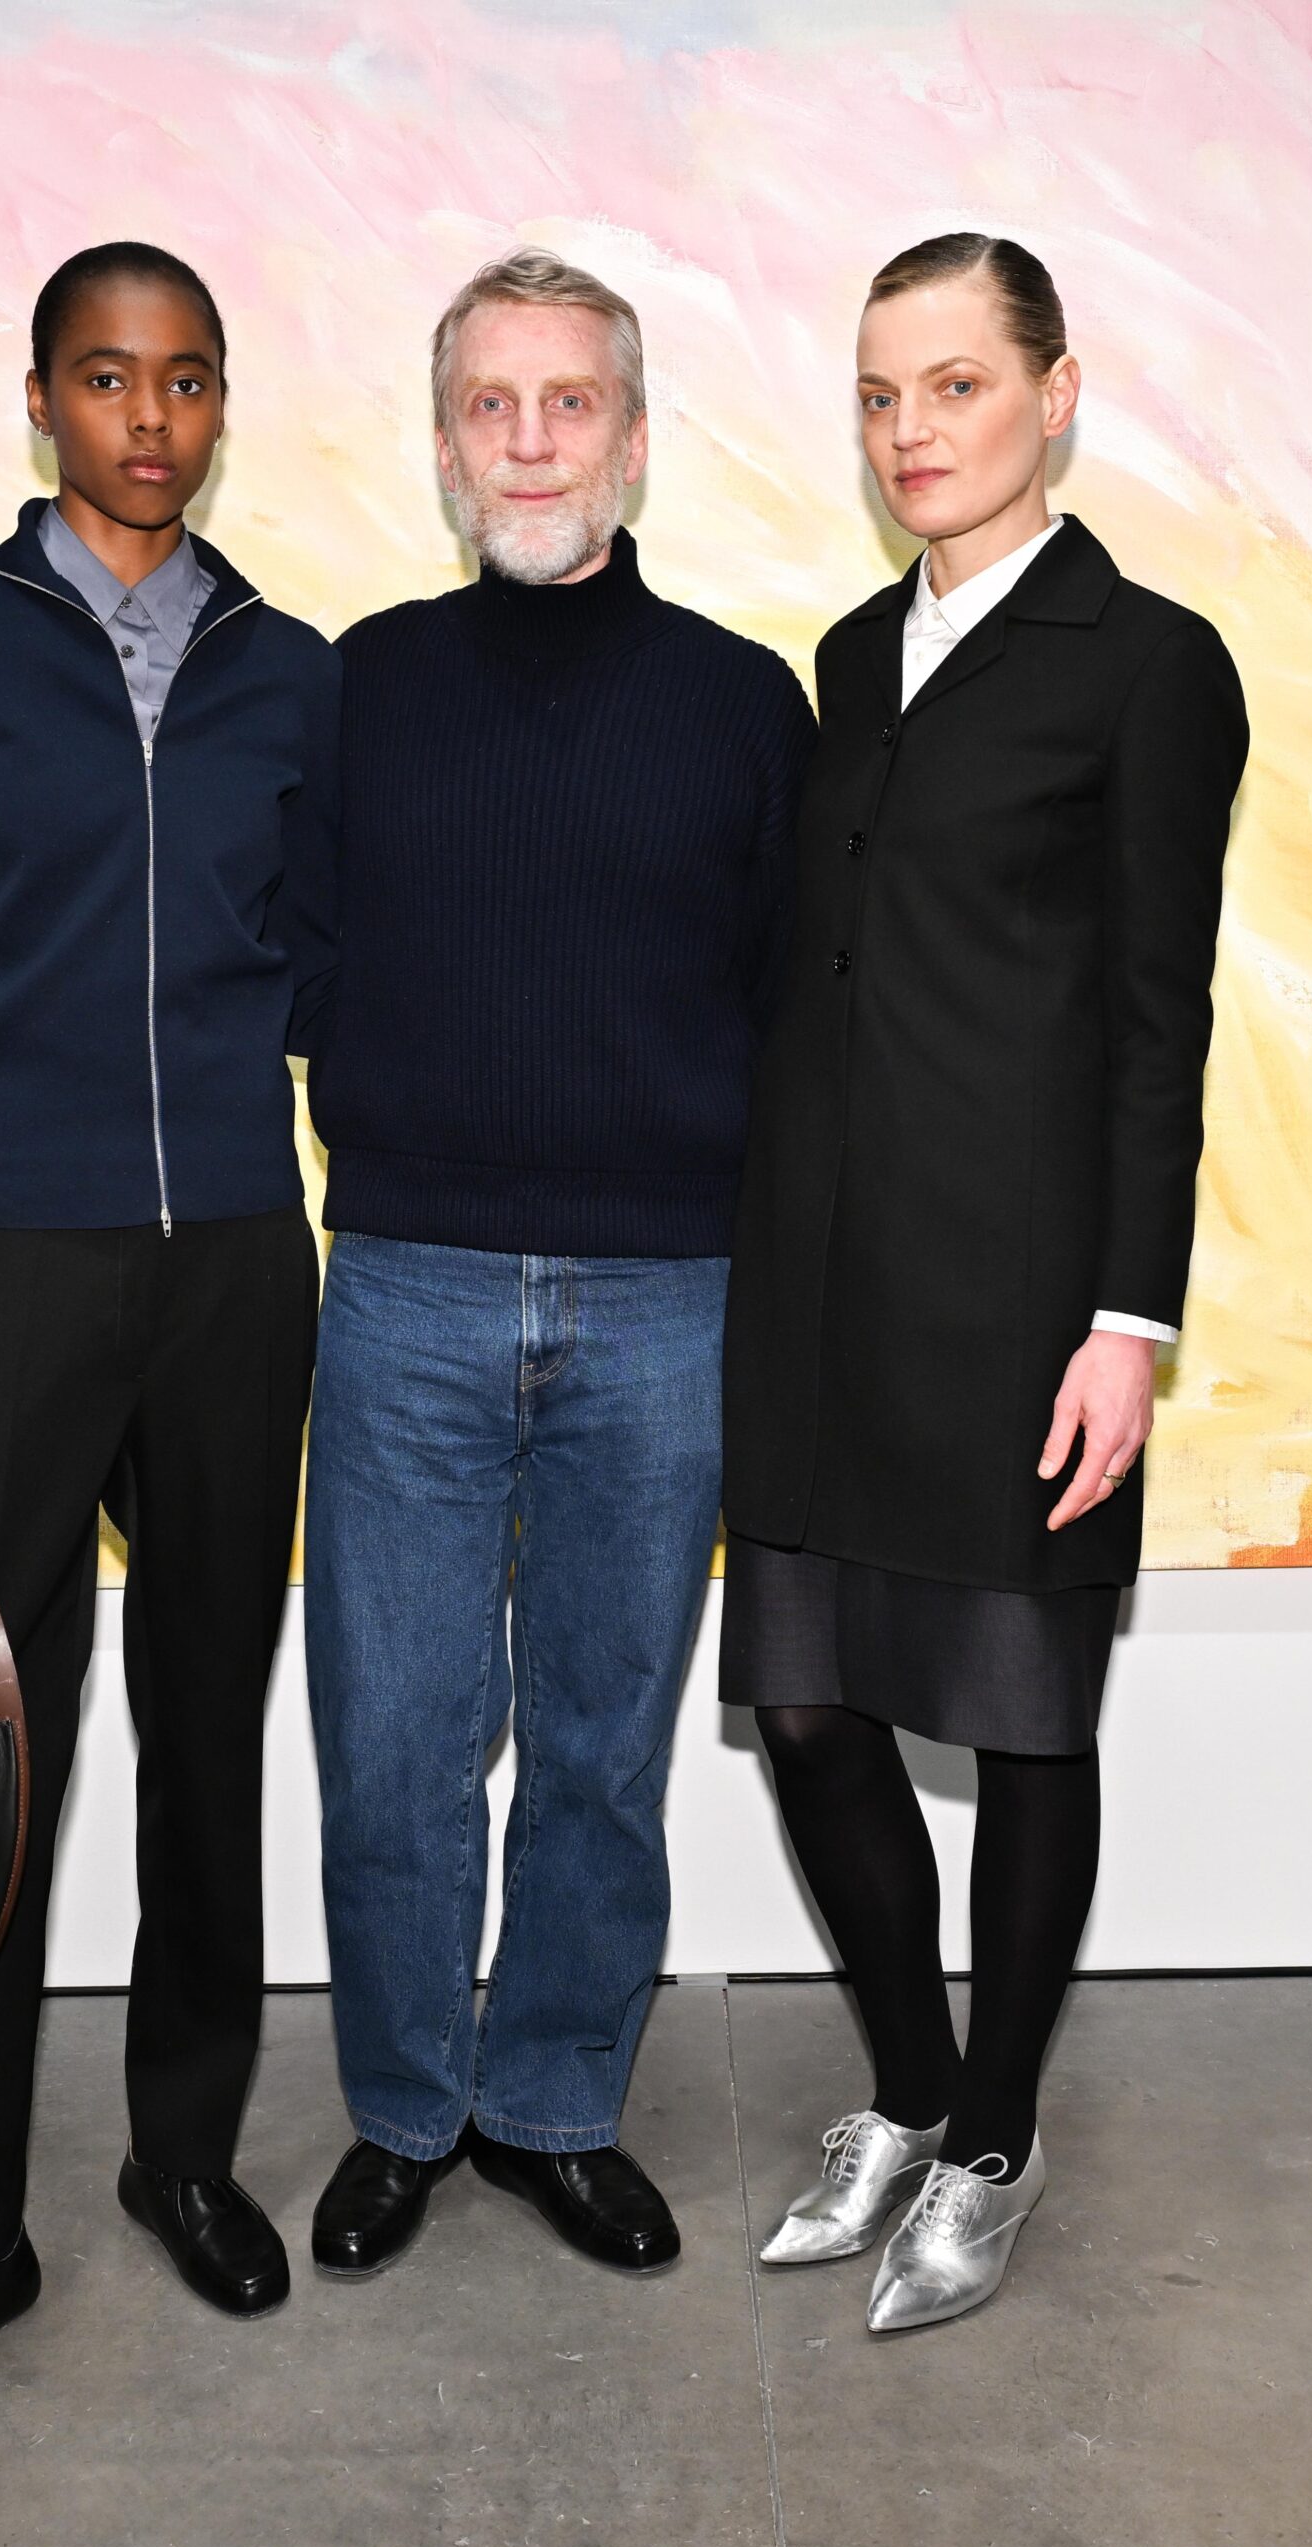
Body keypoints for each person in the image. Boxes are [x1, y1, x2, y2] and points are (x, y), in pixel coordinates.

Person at [0, 241, 338, 2441]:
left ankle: (181, 2149)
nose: (148, 415)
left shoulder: (293, 671)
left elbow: (325, 981)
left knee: (206, 1731)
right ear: (39, 396)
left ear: (221, 409)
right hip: (4, 1272)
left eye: (186, 379)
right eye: (107, 376)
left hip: (232, 1261)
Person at [721, 234, 1247, 2331]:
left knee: (1023, 1720)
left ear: (1051, 392)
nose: (908, 430)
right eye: (876, 394)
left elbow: (1153, 1018)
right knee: (804, 1697)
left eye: (950, 384)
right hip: (814, 1287)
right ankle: (910, 2086)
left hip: (1022, 1303)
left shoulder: (1148, 663)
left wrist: (1127, 1320)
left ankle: (1000, 2131)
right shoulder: (847, 661)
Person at [302, 249, 815, 2280]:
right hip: (407, 1285)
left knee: (603, 1746)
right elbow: (292, 950)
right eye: (490, 407)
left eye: (567, 401)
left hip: (661, 1302)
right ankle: (405, 2107)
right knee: (392, 1743)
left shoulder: (735, 702)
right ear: (442, 445)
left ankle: (549, 2104)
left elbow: (786, 999)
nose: (530, 441)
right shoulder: (353, 683)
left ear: (630, 431)